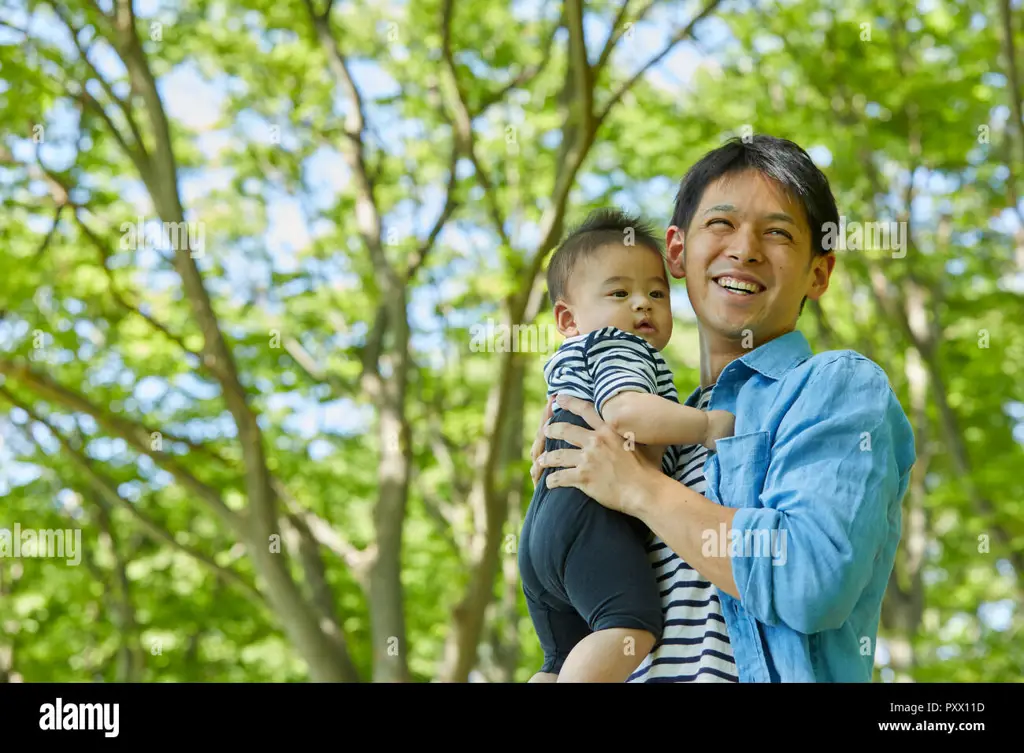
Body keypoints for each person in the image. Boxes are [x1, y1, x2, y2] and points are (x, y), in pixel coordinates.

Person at [529, 134, 916, 682]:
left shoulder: (836, 388)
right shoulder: (664, 429)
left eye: (778, 233)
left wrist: (638, 488)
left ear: (819, 273)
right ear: (678, 252)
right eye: (721, 224)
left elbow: (812, 578)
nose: (746, 249)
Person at [518, 209, 736, 683]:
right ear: (567, 317)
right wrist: (706, 425)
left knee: (559, 660)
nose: (643, 305)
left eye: (657, 293)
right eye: (620, 293)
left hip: (544, 527)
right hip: (590, 518)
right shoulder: (619, 345)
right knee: (630, 629)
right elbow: (624, 413)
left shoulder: (570, 360)